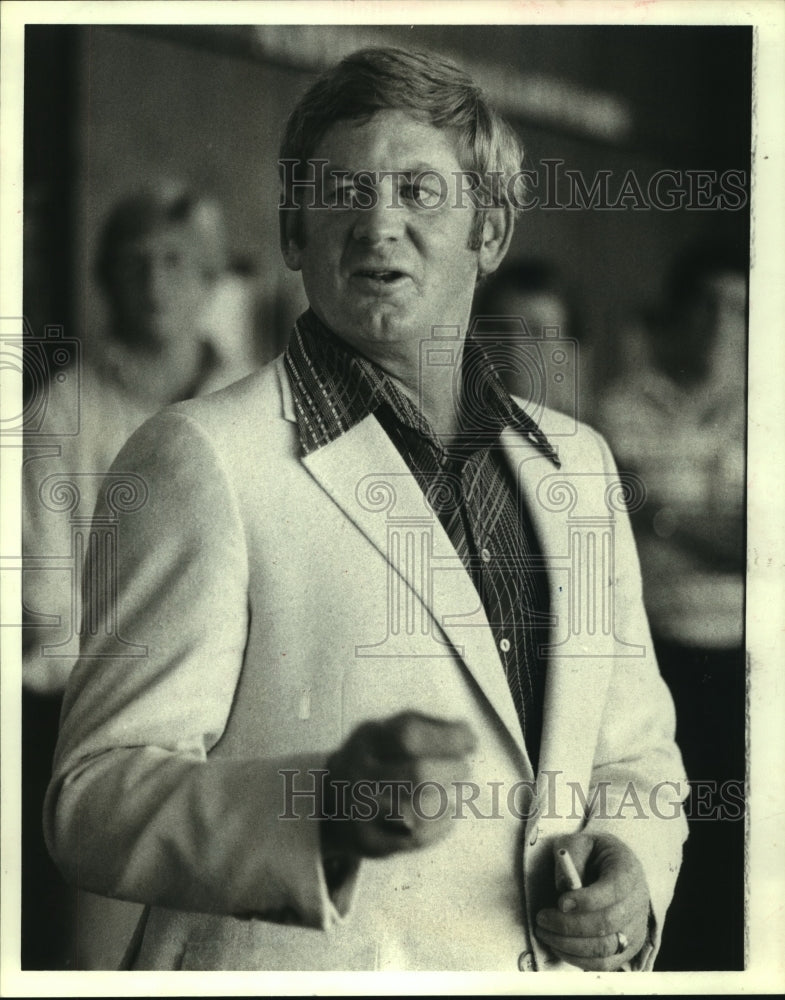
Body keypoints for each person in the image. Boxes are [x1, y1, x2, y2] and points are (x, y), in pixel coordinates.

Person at [44, 48, 687, 973]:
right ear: (293, 234)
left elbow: (636, 758)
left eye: (420, 191)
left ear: (491, 232)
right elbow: (91, 803)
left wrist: (634, 874)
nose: (377, 222)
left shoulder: (576, 468)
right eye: (341, 191)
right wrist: (322, 810)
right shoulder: (201, 457)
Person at [22, 182, 259, 968]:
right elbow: (45, 599)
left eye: (175, 262)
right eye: (135, 264)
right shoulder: (62, 412)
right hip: (103, 718)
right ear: (103, 279)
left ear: (208, 281)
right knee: (107, 954)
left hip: (244, 722)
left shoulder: (262, 400)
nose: (156, 283)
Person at [595, 245, 747, 970]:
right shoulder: (622, 405)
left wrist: (659, 513)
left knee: (736, 849)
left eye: (739, 308)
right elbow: (604, 523)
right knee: (658, 829)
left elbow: (759, 544)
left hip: (749, 662)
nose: (723, 324)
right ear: (678, 315)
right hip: (655, 653)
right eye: (708, 305)